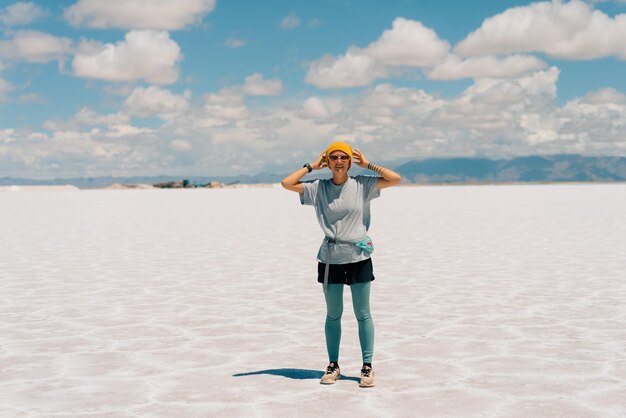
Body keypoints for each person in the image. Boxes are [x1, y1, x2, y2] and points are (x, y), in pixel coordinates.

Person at [281, 141, 401, 387]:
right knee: (333, 314)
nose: (338, 161)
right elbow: (287, 183)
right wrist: (311, 166)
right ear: (328, 161)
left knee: (363, 313)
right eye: (333, 157)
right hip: (330, 259)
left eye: (343, 157)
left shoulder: (363, 184)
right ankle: (333, 365)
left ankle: (367, 367)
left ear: (349, 161)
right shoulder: (318, 188)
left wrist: (367, 164)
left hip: (358, 256)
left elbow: (394, 178)